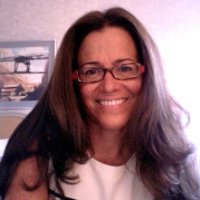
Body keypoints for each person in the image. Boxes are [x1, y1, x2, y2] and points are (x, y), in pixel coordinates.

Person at [0, 7, 199, 200]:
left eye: (125, 68)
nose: (109, 86)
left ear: (147, 75)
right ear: (72, 83)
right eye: (91, 71)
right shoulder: (35, 161)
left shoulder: (175, 154)